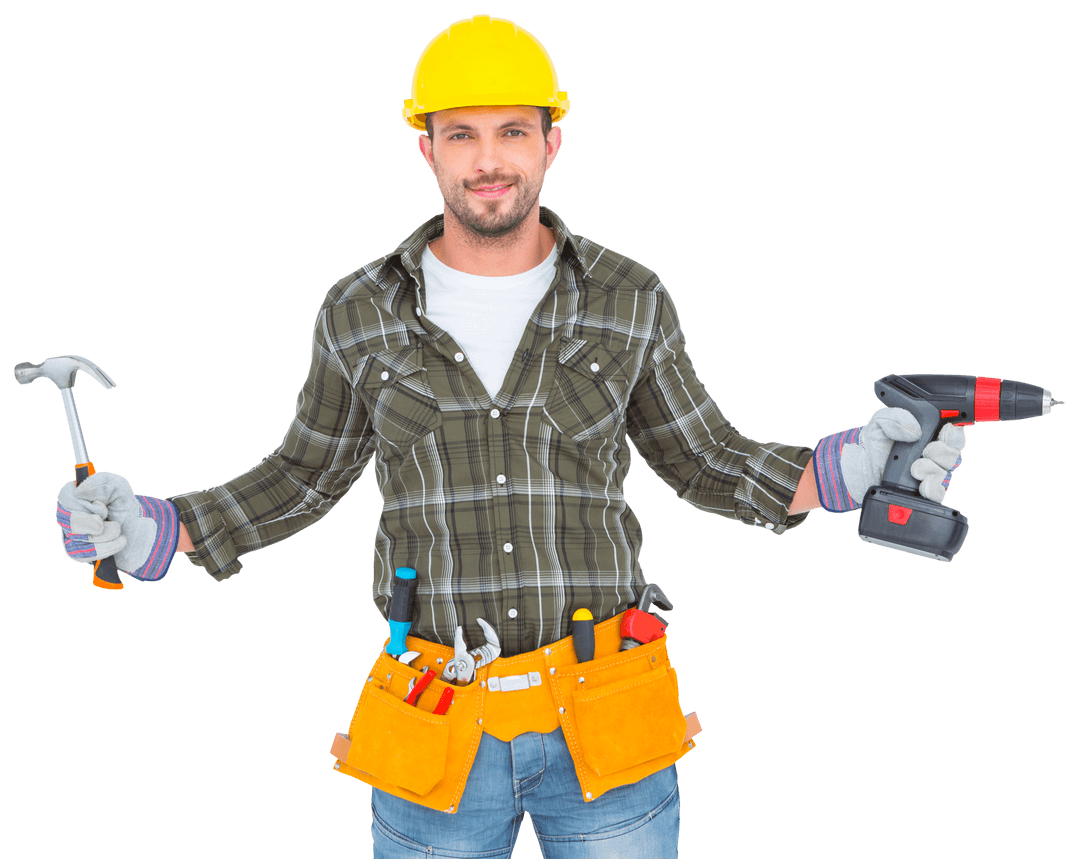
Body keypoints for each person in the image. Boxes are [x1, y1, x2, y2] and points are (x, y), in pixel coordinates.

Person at [53, 14, 965, 859]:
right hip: (431, 723)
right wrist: (153, 530)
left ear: (551, 141)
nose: (489, 161)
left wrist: (844, 469)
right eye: (462, 133)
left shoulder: (629, 298)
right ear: (428, 149)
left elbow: (704, 460)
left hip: (605, 719)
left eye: (512, 132)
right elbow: (302, 476)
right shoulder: (359, 311)